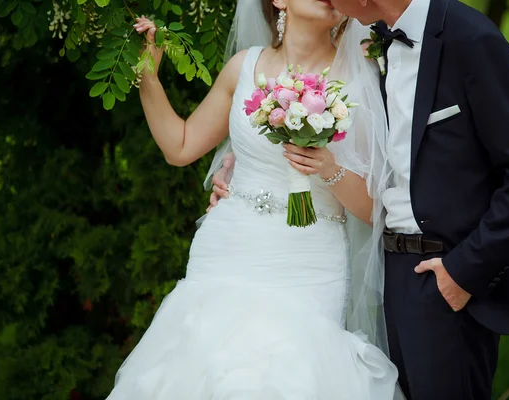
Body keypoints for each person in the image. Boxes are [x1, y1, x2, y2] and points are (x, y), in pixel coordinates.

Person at [212, 0, 509, 398]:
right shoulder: (373, 47)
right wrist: (246, 162)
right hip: (393, 274)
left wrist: (464, 271)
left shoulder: (470, 38)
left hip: (448, 271)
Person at [106, 0, 401, 398]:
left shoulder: (361, 76)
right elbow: (180, 146)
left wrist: (327, 167)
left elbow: (373, 208)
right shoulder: (244, 67)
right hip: (228, 247)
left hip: (308, 264)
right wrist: (149, 80)